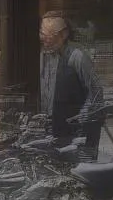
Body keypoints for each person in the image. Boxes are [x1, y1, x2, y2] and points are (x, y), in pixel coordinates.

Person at [39, 12, 104, 155]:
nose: (44, 39)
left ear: (64, 34)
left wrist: (82, 117)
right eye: (42, 33)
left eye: (49, 34)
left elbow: (96, 92)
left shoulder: (78, 56)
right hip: (55, 131)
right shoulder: (46, 56)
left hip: (77, 134)